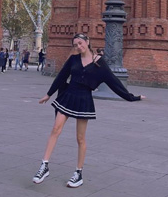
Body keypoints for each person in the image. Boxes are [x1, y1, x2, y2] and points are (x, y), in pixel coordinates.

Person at [33, 33, 145, 188]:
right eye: (75, 45)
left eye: (80, 43)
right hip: (69, 95)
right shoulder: (73, 59)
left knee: (80, 138)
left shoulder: (100, 63)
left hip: (84, 99)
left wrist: (132, 97)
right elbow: (61, 77)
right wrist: (48, 94)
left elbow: (114, 82)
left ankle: (78, 173)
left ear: (87, 42)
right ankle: (44, 166)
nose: (78, 47)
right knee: (55, 129)